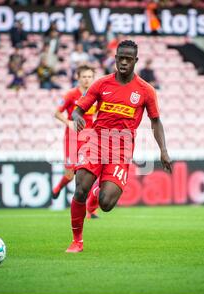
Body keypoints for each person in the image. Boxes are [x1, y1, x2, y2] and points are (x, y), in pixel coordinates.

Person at [65, 40, 172, 253]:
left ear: (135, 61)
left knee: (106, 203)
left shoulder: (145, 90)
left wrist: (164, 150)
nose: (123, 62)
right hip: (96, 141)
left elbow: (155, 121)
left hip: (121, 150)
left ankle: (97, 193)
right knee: (79, 190)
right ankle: (77, 240)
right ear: (115, 59)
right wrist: (77, 117)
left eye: (128, 59)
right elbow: (79, 109)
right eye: (120, 58)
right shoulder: (101, 84)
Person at [52, 65, 99, 219]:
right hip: (72, 139)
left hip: (89, 139)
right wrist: (69, 122)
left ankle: (90, 211)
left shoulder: (96, 95)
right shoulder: (71, 94)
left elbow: (97, 113)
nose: (87, 79)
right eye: (84, 76)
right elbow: (57, 113)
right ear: (78, 78)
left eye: (89, 77)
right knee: (71, 174)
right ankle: (58, 188)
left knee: (89, 174)